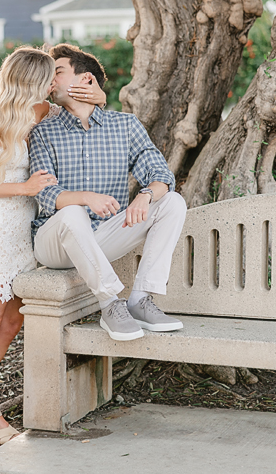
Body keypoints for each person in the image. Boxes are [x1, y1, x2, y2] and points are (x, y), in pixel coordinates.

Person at [0, 46, 105, 449]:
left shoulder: (44, 112)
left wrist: (97, 96)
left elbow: (85, 110)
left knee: (13, 320)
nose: (54, 84)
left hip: (26, 233)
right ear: (30, 80)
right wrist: (24, 188)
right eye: (48, 78)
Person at [29, 43, 187, 342]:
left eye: (58, 72)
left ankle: (140, 299)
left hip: (103, 235)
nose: (50, 79)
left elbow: (161, 175)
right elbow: (46, 195)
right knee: (72, 211)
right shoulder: (44, 130)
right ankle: (110, 303)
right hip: (55, 242)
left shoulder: (125, 125)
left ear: (86, 79)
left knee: (172, 202)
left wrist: (146, 195)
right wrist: (86, 196)